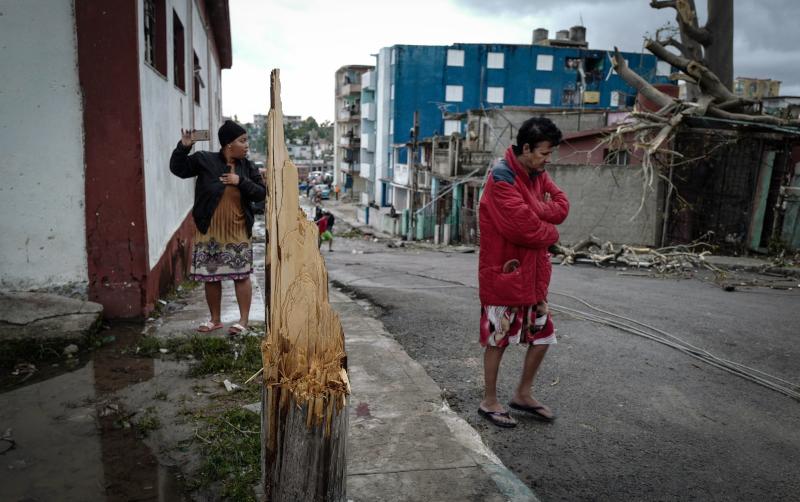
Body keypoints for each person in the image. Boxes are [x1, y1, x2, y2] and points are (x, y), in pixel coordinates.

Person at [477, 117, 569, 428]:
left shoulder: (537, 173)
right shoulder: (501, 179)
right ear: (526, 148)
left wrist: (536, 208)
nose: (548, 159)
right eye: (544, 153)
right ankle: (489, 400)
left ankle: (522, 394)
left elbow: (562, 206)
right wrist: (550, 231)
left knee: (543, 336)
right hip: (505, 273)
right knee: (498, 340)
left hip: (533, 276)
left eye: (550, 153)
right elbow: (524, 231)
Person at [170, 120, 266, 335]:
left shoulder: (248, 167)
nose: (247, 145)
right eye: (242, 141)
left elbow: (261, 192)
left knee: (241, 275)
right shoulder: (205, 160)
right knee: (211, 276)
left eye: (247, 140)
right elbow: (178, 169)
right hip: (210, 229)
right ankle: (215, 319)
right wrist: (183, 147)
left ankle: (243, 321)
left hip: (238, 229)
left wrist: (239, 181)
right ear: (228, 144)